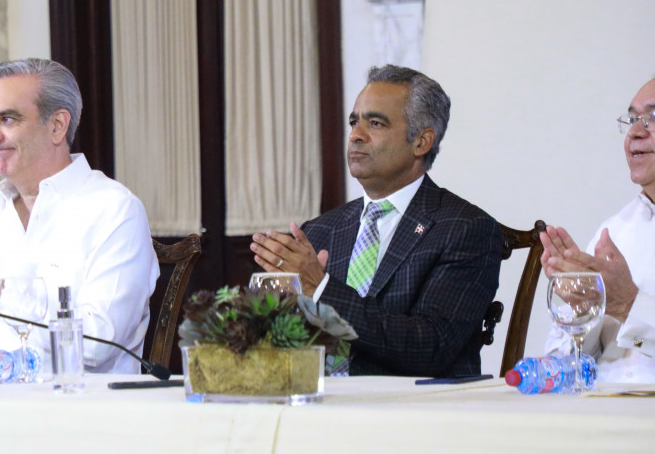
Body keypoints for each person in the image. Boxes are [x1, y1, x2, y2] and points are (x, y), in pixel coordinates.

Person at [251, 65, 502, 376]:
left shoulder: (464, 229)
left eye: (375, 123)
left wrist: (322, 289)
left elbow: (430, 346)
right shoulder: (319, 230)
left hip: (412, 403)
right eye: (354, 122)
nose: (355, 135)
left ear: (421, 142)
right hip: (321, 399)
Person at [0, 58, 158, 374]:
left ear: (57, 126)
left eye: (7, 119)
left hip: (75, 402)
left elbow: (99, 344)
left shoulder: (114, 210)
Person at [540, 77, 655, 383]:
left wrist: (628, 305)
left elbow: (641, 344)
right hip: (600, 403)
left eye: (653, 117)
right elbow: (565, 363)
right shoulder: (614, 231)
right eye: (632, 119)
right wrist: (584, 311)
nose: (635, 132)